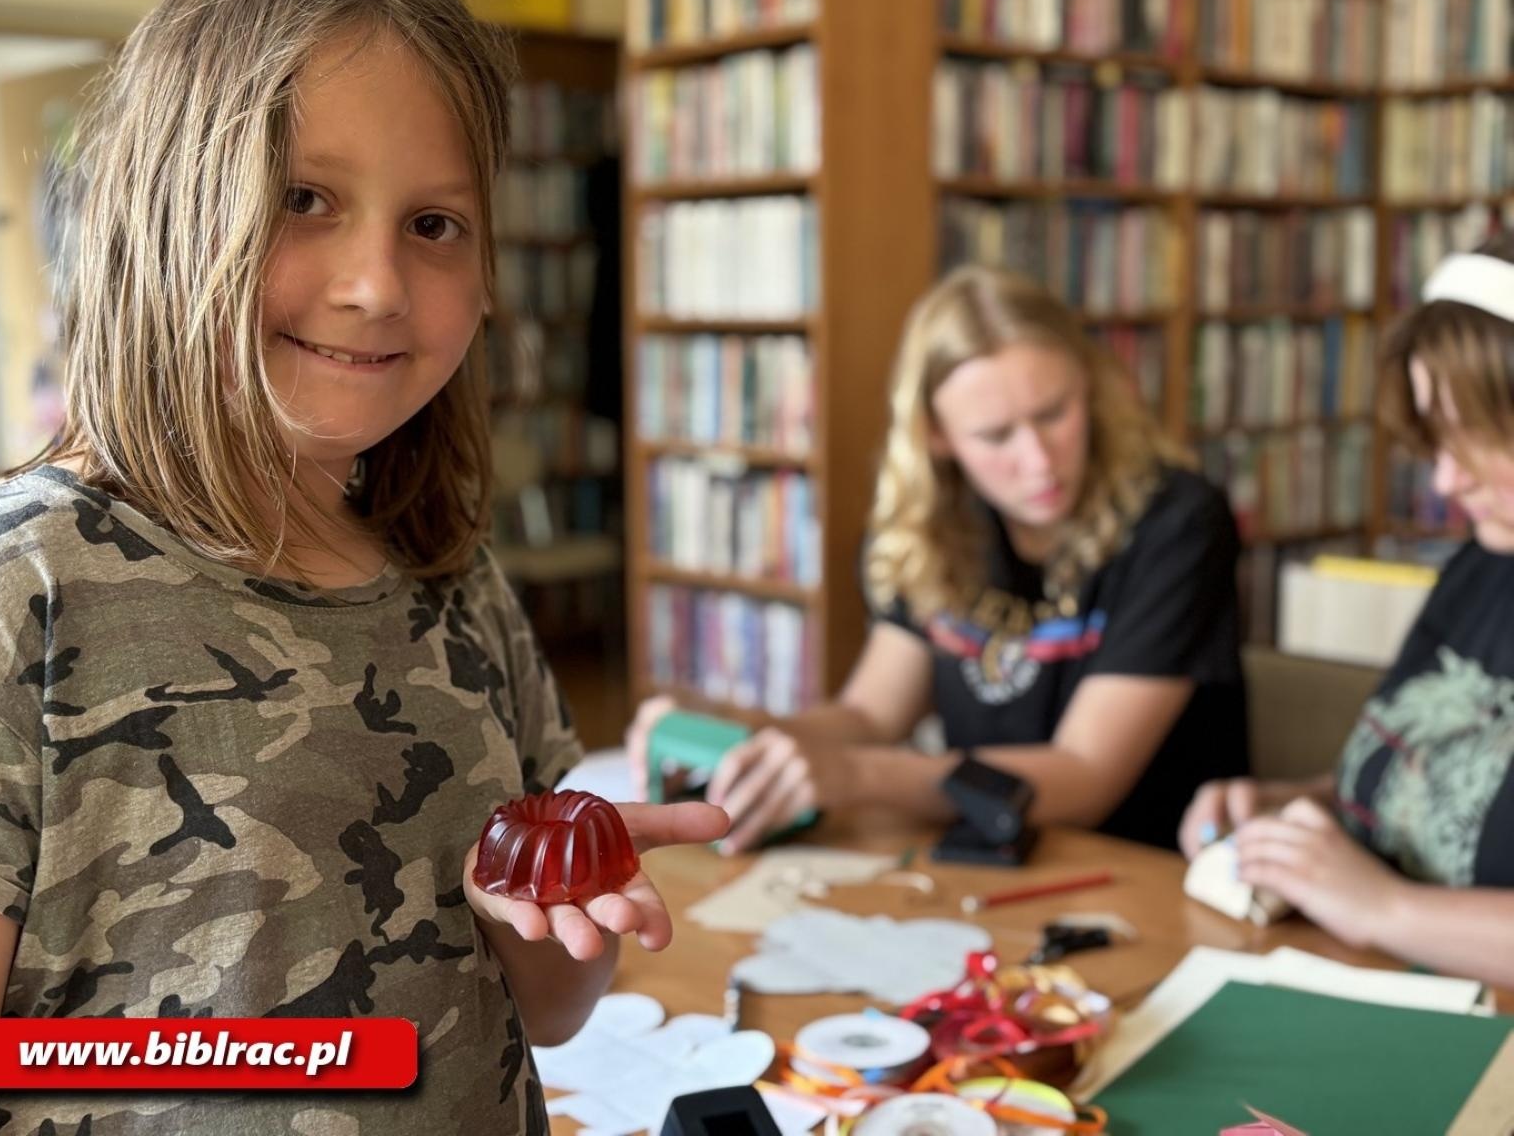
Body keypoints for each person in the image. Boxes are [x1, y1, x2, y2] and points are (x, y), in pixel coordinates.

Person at [0, 0, 726, 1133]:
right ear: (164, 210)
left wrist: (561, 899)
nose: (376, 284)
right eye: (305, 199)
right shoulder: (2, 592)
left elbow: (548, 1011)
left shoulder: (458, 585)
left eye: (436, 223)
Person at [628, 265, 1249, 853]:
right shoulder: (936, 525)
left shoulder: (1178, 520)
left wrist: (856, 775)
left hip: (1145, 871)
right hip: (989, 853)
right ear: (937, 436)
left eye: (1054, 413)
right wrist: (740, 736)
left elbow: (1086, 777)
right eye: (996, 436)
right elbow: (871, 714)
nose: (1038, 460)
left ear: (1090, 384)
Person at [1179, 236, 1514, 988]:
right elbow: (1427, 769)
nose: (1446, 478)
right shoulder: (1486, 558)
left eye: (1483, 440)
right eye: (1436, 435)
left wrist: (1384, 908)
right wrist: (1297, 813)